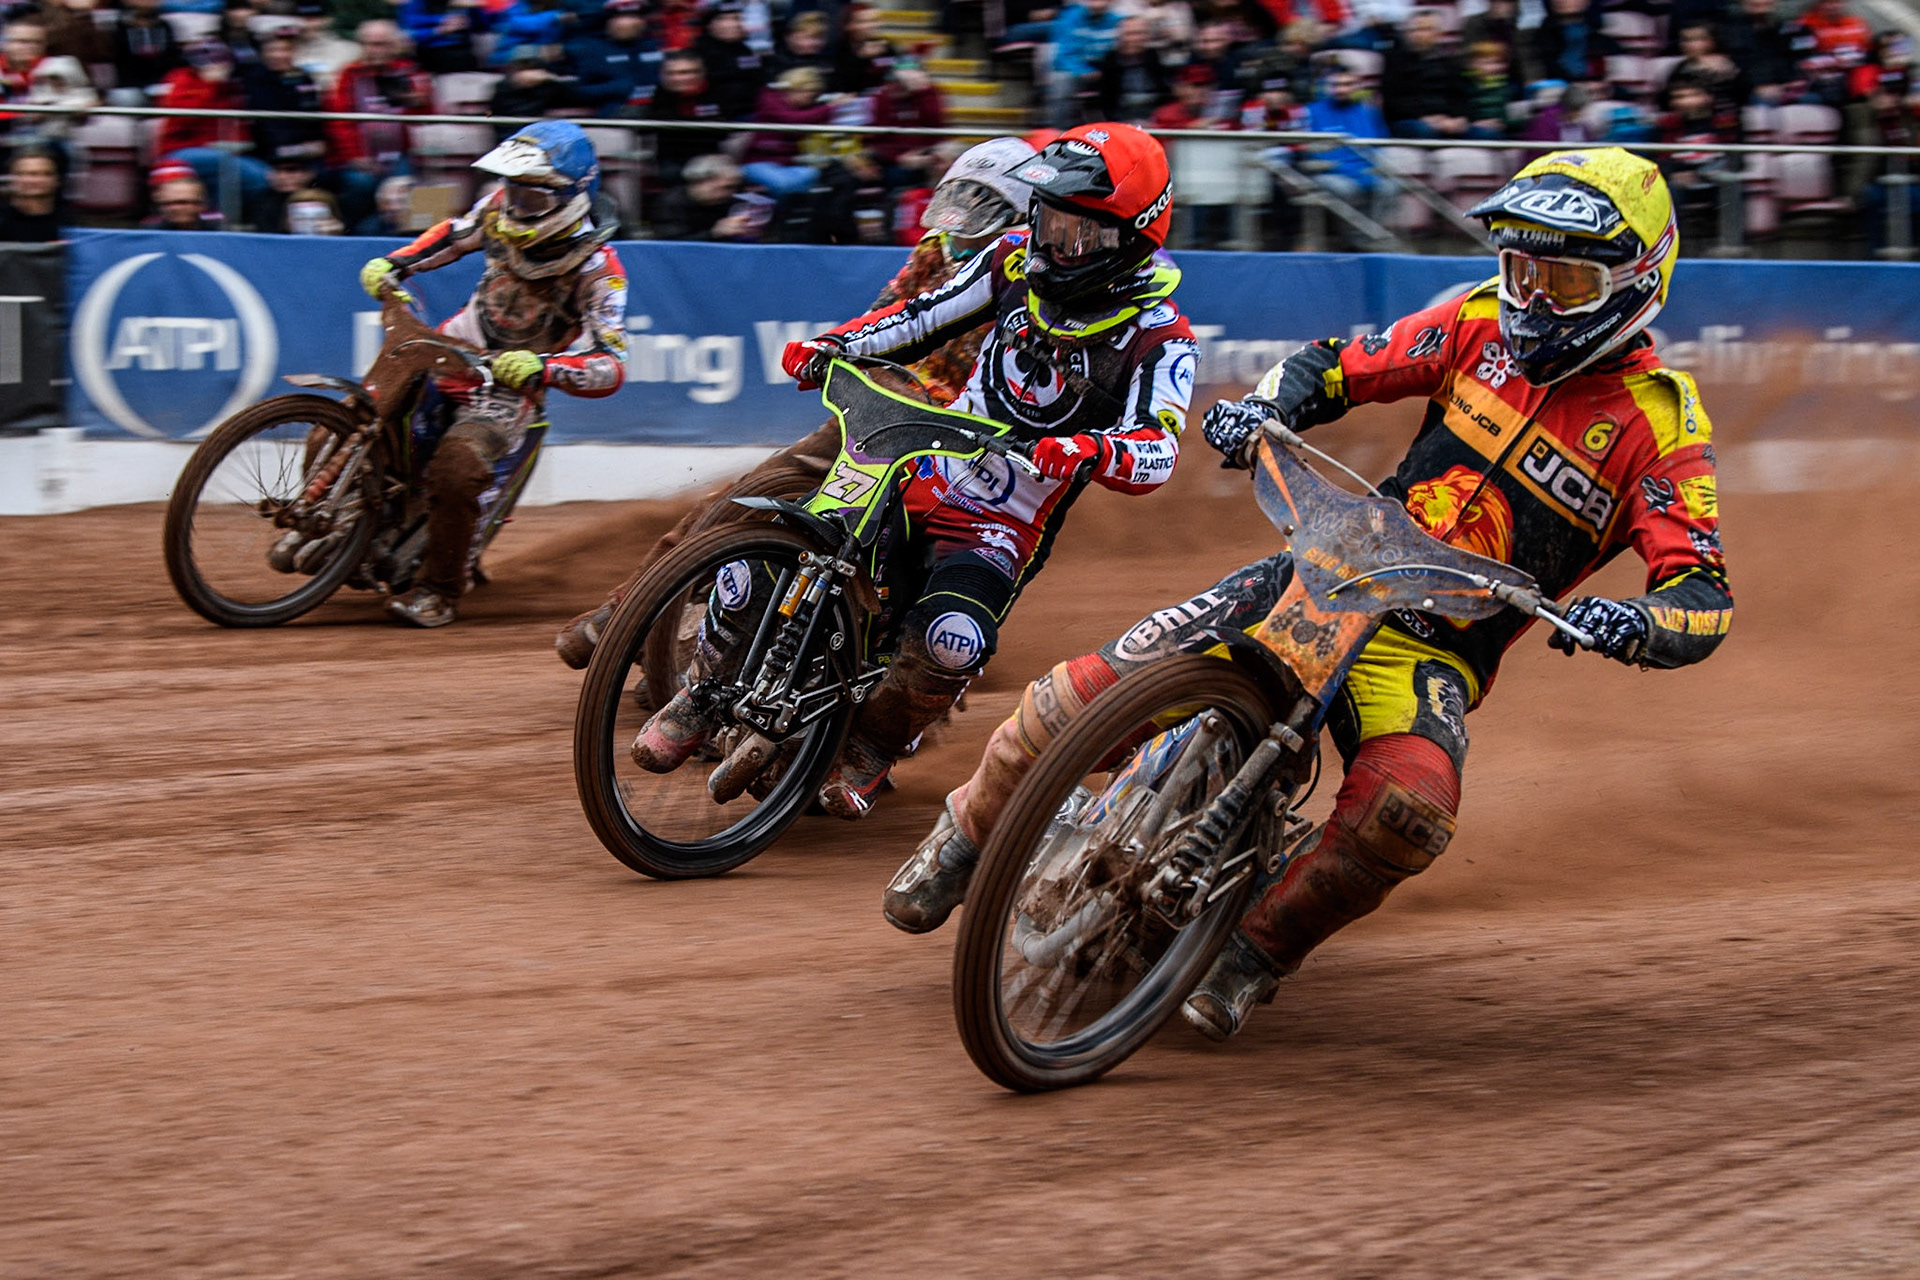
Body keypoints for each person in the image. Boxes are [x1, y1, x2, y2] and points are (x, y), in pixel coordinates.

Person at [881, 151, 1733, 1056]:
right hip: (1329, 567)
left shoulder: (1660, 427)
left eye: (1565, 281)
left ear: (1637, 282)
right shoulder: (1476, 322)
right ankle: (961, 841)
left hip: (1433, 647)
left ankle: (1256, 953)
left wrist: (1638, 623)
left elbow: (1703, 592)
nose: (1533, 299)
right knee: (1076, 698)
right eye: (1522, 270)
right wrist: (1263, 408)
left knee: (1410, 810)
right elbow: (1335, 366)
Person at [628, 124, 1201, 822]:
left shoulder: (1161, 337)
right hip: (919, 463)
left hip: (1004, 521)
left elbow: (1158, 447)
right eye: (1048, 220)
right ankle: (701, 689)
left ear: (1130, 239)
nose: (1053, 245)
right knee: (766, 551)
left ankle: (869, 748)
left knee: (952, 640)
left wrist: (1086, 451)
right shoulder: (1010, 260)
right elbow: (919, 318)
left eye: (1077, 234)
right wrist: (834, 345)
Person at [555, 135, 1043, 668]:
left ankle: (899, 653)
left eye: (980, 210)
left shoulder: (1032, 277)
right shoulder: (935, 248)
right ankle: (627, 609)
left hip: (966, 443)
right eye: (960, 201)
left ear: (1021, 217)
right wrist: (838, 350)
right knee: (747, 493)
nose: (961, 225)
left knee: (935, 564)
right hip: (889, 408)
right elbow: (884, 316)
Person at [355, 121, 628, 627]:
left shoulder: (599, 270)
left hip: (506, 387)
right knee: (360, 417)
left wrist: (543, 368)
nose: (516, 203)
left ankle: (439, 591)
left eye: (532, 195)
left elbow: (611, 364)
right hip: (448, 349)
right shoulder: (497, 210)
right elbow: (454, 235)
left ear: (571, 196)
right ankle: (348, 531)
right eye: (513, 189)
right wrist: (396, 264)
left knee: (457, 468)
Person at [0, 143, 65, 240]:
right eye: (23, 174)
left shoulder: (72, 223)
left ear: (57, 180)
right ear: (11, 179)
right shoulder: (2, 222)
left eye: (45, 174)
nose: (34, 180)